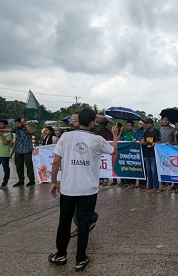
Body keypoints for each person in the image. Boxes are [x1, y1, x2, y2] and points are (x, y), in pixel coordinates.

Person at [48, 108, 119, 272]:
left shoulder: (65, 137)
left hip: (68, 188)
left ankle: (61, 255)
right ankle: (80, 259)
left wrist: (53, 182)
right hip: (88, 190)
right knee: (84, 224)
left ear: (78, 120)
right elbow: (113, 150)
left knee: (64, 222)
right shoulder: (98, 140)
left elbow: (56, 162)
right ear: (93, 123)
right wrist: (115, 135)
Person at [0, 117, 36, 187]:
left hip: (27, 150)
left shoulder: (27, 128)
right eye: (16, 123)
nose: (17, 125)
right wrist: (1, 130)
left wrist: (25, 124)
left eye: (18, 123)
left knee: (29, 165)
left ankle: (31, 180)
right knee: (19, 166)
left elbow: (32, 132)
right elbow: (9, 130)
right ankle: (21, 180)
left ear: (22, 123)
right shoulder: (16, 129)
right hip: (18, 150)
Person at [141, 119, 160, 192]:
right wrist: (143, 142)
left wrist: (155, 143)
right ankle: (150, 185)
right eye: (146, 124)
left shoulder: (156, 131)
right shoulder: (145, 132)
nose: (146, 125)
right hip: (147, 152)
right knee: (148, 171)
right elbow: (144, 141)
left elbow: (158, 141)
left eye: (148, 124)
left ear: (151, 124)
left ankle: (155, 185)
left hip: (153, 153)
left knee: (154, 170)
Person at [0, 119, 13, 189]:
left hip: (4, 154)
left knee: (5, 169)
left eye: (1, 124)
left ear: (5, 125)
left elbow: (5, 143)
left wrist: (1, 135)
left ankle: (5, 183)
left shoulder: (9, 134)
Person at [159, 117, 175, 191]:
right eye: (163, 120)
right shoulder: (160, 129)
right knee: (162, 167)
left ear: (169, 121)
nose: (164, 121)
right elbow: (158, 139)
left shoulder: (172, 129)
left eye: (166, 120)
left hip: (169, 150)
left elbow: (174, 142)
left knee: (169, 167)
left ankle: (169, 184)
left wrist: (170, 143)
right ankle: (162, 184)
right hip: (161, 151)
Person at [120, 120, 137, 188]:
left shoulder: (135, 133)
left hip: (132, 154)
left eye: (129, 125)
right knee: (125, 167)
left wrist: (135, 140)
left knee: (132, 168)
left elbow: (137, 140)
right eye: (127, 125)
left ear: (132, 127)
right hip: (124, 153)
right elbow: (119, 140)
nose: (128, 127)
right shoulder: (124, 133)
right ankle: (126, 182)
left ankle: (132, 183)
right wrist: (121, 131)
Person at [97, 120, 114, 187]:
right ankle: (100, 178)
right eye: (100, 124)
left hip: (105, 151)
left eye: (102, 124)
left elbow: (109, 140)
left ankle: (106, 179)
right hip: (99, 152)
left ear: (105, 125)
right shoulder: (98, 132)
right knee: (100, 164)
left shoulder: (108, 132)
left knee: (106, 164)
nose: (101, 125)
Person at [134, 120, 147, 189]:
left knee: (145, 168)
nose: (139, 125)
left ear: (143, 125)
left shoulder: (145, 132)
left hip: (144, 152)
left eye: (140, 124)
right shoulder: (136, 132)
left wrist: (143, 141)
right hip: (137, 153)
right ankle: (139, 182)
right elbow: (134, 139)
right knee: (139, 168)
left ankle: (144, 183)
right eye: (138, 124)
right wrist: (134, 140)